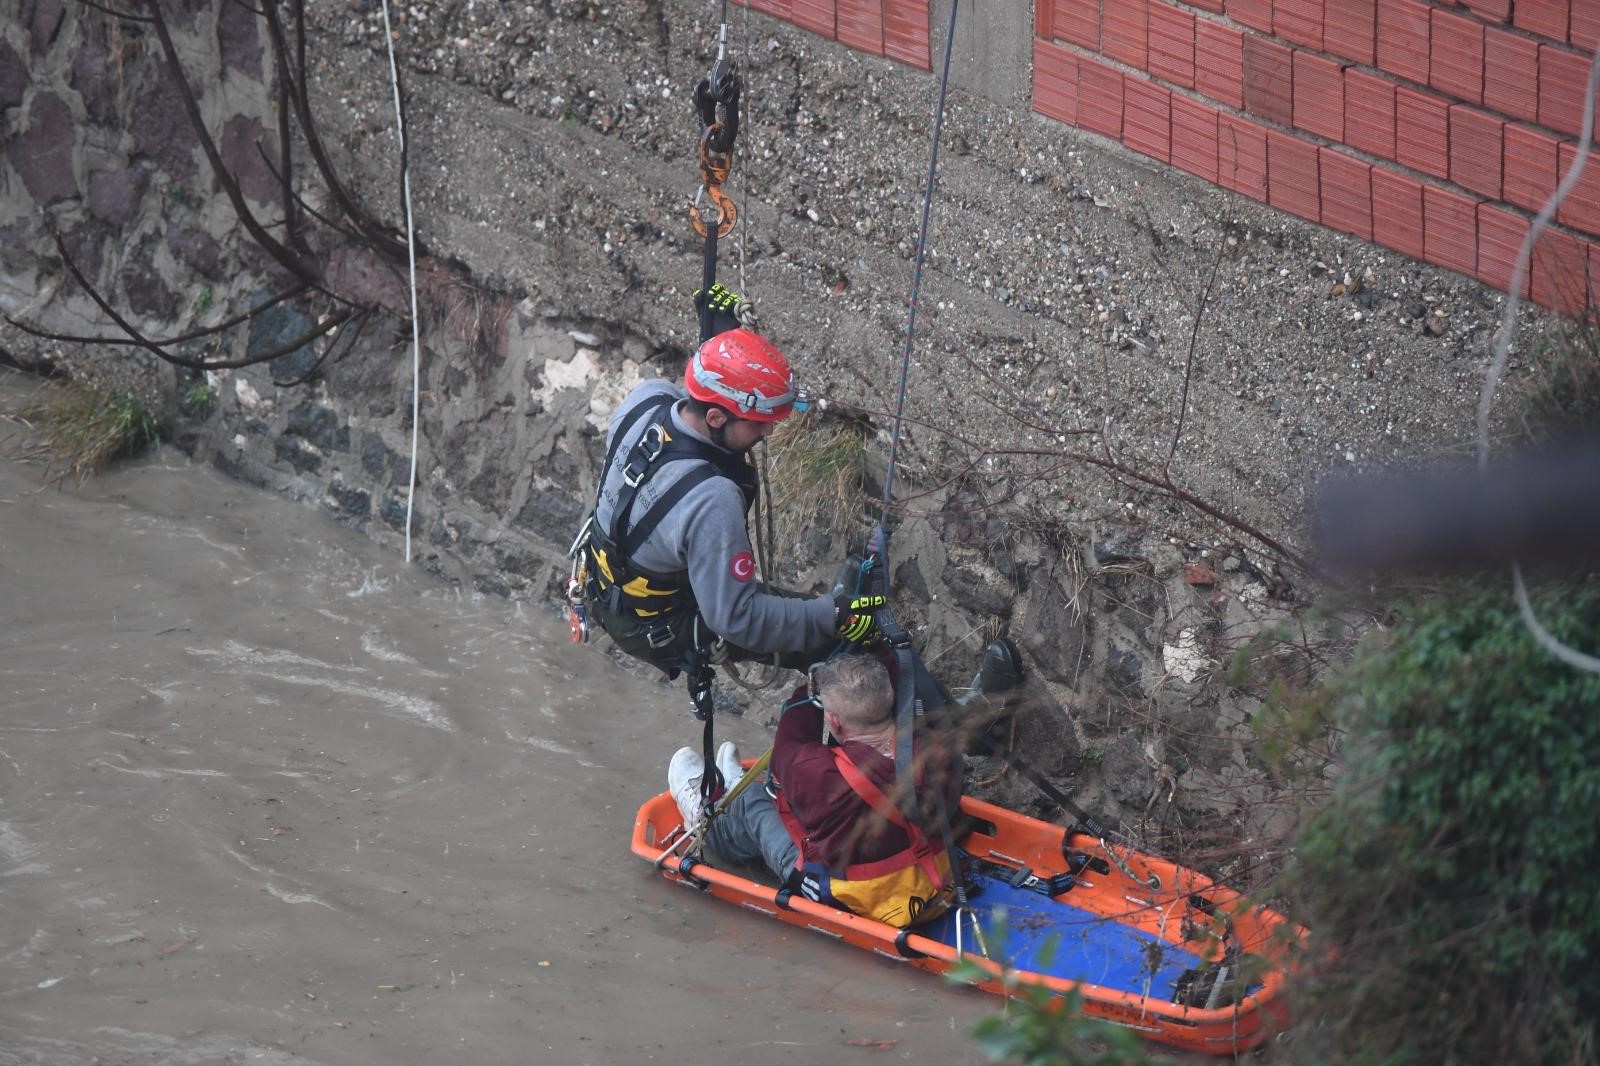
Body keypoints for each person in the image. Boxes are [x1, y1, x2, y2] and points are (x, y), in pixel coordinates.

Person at [571, 327, 889, 704]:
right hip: (661, 622)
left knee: (809, 618)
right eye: (758, 423)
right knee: (847, 646)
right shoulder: (712, 497)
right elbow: (738, 618)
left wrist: (721, 345)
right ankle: (959, 731)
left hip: (603, 582)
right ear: (718, 419)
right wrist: (832, 615)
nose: (769, 430)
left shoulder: (648, 398)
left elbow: (697, 388)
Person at [666, 647, 1020, 928]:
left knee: (755, 804)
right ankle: (731, 790)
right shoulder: (934, 744)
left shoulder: (816, 772)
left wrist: (812, 686)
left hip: (859, 896)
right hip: (932, 877)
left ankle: (705, 818)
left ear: (832, 720)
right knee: (795, 802)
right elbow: (902, 661)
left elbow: (792, 730)